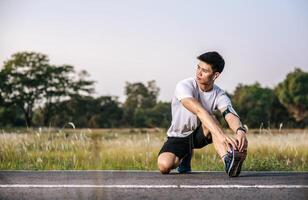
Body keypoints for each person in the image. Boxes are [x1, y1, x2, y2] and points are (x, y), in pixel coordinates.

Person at [157, 51, 248, 177]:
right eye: (198, 67)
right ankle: (185, 156)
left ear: (215, 75)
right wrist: (222, 136)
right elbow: (199, 111)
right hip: (179, 135)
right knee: (164, 166)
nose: (198, 73)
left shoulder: (219, 94)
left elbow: (229, 113)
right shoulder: (184, 86)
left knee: (211, 119)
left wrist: (240, 130)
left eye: (204, 70)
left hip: (201, 133)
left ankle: (228, 160)